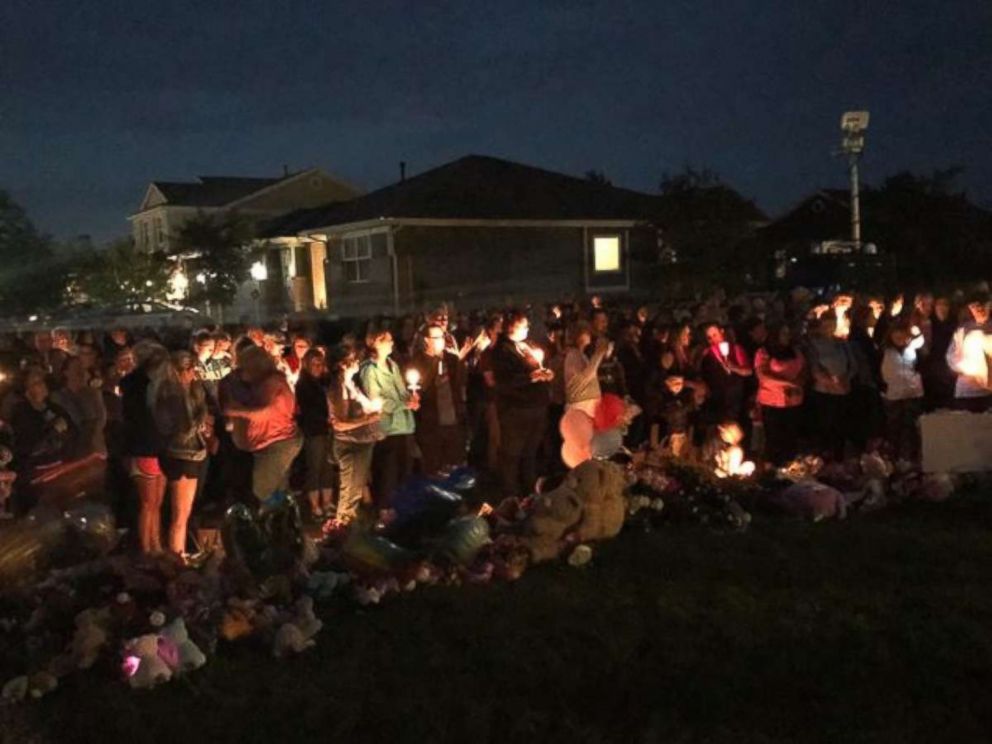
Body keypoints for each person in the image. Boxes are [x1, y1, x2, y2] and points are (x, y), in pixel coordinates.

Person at [223, 346, 303, 503]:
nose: (241, 372)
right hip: (270, 444)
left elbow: (266, 413)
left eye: (243, 367)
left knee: (263, 490)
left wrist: (236, 411)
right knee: (276, 492)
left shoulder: (274, 383)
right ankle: (279, 522)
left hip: (278, 443)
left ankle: (270, 523)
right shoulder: (262, 382)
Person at [151, 351, 210, 557]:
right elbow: (181, 430)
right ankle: (177, 557)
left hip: (194, 452)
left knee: (184, 514)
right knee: (180, 515)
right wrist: (199, 422)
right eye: (189, 369)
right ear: (178, 371)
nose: (193, 373)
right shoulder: (170, 396)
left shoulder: (193, 390)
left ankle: (180, 553)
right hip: (180, 454)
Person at [491, 310, 554, 498]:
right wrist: (530, 377)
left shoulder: (528, 345)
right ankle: (511, 495)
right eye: (524, 325)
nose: (528, 328)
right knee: (512, 454)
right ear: (512, 326)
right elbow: (504, 381)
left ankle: (530, 491)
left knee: (530, 452)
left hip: (536, 407)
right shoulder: (502, 351)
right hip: (516, 410)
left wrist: (545, 374)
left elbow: (538, 366)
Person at [359, 330, 419, 507]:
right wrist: (403, 405)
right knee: (388, 472)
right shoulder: (370, 370)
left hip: (404, 425)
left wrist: (412, 399)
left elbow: (401, 392)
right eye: (388, 341)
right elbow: (377, 400)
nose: (392, 344)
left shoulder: (392, 365)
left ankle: (402, 506)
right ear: (377, 343)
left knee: (404, 469)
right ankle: (385, 508)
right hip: (387, 428)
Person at [120, 342, 170, 554]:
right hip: (145, 446)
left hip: (156, 446)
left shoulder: (151, 383)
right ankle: (147, 547)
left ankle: (156, 545)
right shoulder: (137, 384)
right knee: (148, 503)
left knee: (156, 502)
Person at [328, 345, 382, 524]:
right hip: (350, 443)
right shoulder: (339, 387)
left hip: (362, 441)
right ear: (342, 364)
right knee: (349, 490)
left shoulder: (350, 383)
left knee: (355, 489)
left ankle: (347, 526)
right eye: (353, 359)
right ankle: (341, 527)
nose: (357, 362)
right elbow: (339, 423)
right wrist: (368, 419)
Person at [410, 323, 467, 475]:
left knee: (454, 463)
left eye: (442, 336)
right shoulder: (418, 361)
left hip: (453, 419)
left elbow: (460, 385)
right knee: (434, 464)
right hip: (431, 422)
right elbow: (420, 388)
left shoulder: (451, 360)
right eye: (436, 337)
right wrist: (435, 362)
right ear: (427, 340)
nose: (441, 340)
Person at [753, 323, 805, 465]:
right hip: (773, 401)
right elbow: (763, 375)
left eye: (788, 333)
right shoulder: (764, 352)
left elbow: (803, 369)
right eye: (784, 333)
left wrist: (800, 382)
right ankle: (774, 467)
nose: (787, 337)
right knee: (775, 436)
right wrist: (788, 383)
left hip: (793, 400)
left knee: (791, 435)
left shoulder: (794, 351)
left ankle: (791, 466)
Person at [806, 316, 856, 460]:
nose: (830, 328)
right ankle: (825, 455)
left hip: (844, 388)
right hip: (825, 391)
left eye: (832, 324)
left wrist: (846, 378)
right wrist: (830, 381)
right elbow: (814, 368)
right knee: (827, 423)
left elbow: (852, 364)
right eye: (826, 325)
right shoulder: (814, 345)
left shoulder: (842, 343)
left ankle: (839, 455)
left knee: (842, 423)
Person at [295, 348, 335, 519]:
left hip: (326, 430)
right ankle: (314, 504)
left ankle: (327, 502)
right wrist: (325, 417)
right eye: (314, 364)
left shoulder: (324, 382)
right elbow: (308, 408)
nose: (318, 367)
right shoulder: (304, 384)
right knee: (315, 466)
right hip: (314, 430)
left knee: (327, 466)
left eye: (321, 364)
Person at [880, 323, 925, 462]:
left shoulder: (913, 348)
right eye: (896, 334)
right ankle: (893, 458)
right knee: (894, 428)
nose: (899, 337)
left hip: (913, 393)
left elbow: (921, 363)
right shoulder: (884, 351)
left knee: (912, 427)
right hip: (894, 395)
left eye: (902, 334)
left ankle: (912, 458)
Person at [697, 323, 752, 428]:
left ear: (722, 332)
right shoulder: (707, 355)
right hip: (717, 402)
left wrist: (734, 367)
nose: (713, 339)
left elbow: (748, 371)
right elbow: (703, 376)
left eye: (715, 334)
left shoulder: (736, 349)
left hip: (736, 400)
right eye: (709, 337)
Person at [51, 355, 107, 457]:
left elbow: (101, 419)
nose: (80, 371)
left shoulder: (93, 394)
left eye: (81, 367)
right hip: (73, 450)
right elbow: (73, 421)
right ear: (66, 372)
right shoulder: (59, 397)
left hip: (95, 448)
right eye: (75, 367)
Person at [945, 292, 992, 412]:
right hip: (967, 392)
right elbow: (951, 357)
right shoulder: (962, 330)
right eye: (974, 306)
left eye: (982, 305)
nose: (979, 309)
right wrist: (963, 365)